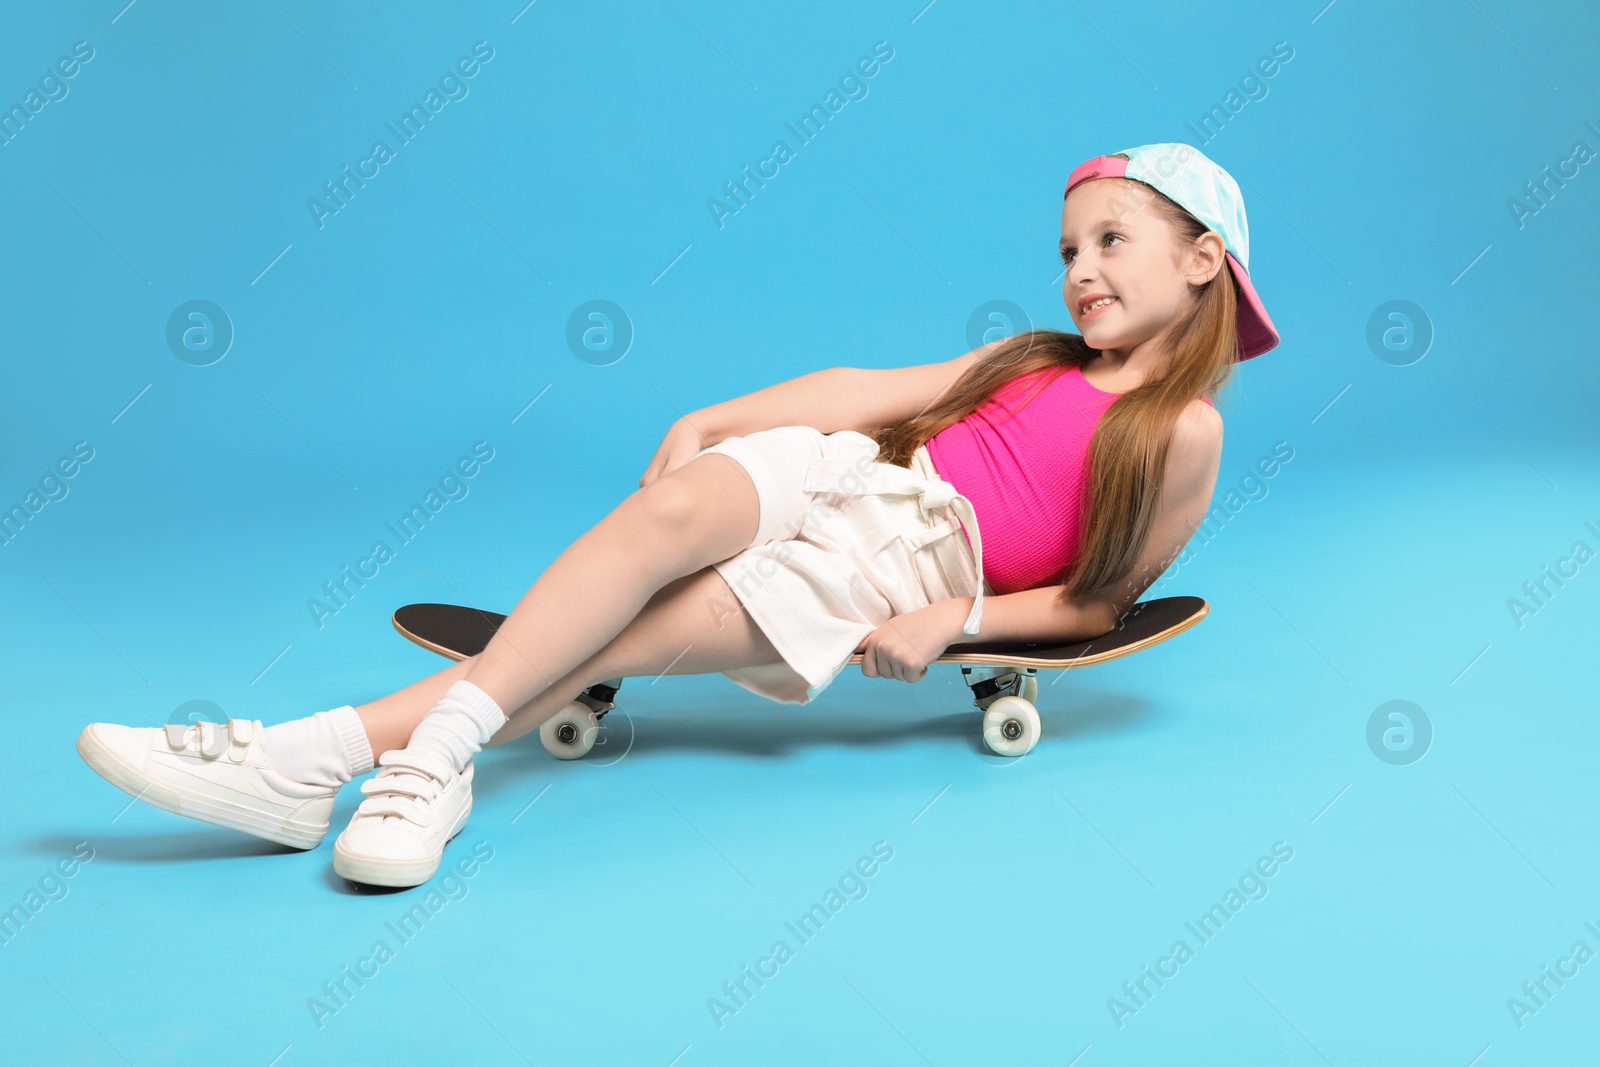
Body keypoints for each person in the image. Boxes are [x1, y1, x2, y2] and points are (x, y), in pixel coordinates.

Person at [75, 142, 1280, 889]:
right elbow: (869, 394)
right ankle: (405, 760)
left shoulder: (1184, 431)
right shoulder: (1033, 353)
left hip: (909, 559)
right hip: (856, 473)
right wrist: (722, 411)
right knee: (674, 508)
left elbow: (1097, 602)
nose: (1079, 268)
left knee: (642, 633)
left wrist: (954, 619)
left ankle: (322, 753)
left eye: (1111, 239)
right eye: (1069, 245)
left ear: (1201, 259)